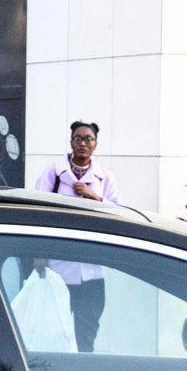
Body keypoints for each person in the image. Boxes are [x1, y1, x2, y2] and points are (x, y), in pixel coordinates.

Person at [34, 121, 121, 352]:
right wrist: (39, 255)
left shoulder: (105, 178)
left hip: (92, 268)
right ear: (71, 142)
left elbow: (119, 214)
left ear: (96, 144)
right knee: (55, 331)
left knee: (87, 332)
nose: (83, 143)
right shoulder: (53, 173)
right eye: (78, 138)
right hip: (58, 266)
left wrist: (94, 197)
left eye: (88, 139)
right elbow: (37, 214)